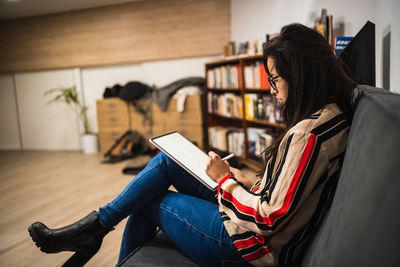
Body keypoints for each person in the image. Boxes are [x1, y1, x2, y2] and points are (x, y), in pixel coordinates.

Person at [28, 23, 357, 267]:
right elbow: (286, 192)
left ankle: (91, 232)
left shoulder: (308, 135)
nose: (272, 89)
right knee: (167, 161)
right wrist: (242, 181)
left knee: (149, 198)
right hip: (250, 219)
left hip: (248, 246)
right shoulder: (331, 115)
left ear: (301, 76)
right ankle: (93, 227)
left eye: (275, 79)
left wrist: (225, 181)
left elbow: (269, 219)